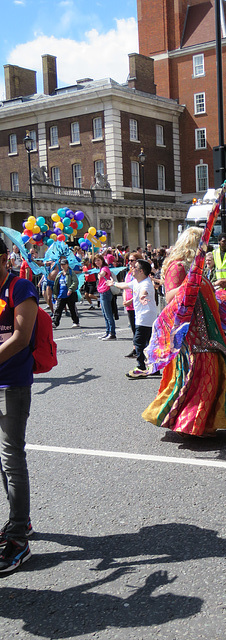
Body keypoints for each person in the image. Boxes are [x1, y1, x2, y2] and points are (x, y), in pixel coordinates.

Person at [142, 227, 226, 436]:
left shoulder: (194, 267)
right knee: (199, 373)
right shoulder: (178, 266)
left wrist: (214, 284)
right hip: (190, 332)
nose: (207, 246)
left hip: (204, 330)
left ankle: (204, 422)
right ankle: (189, 422)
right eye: (203, 241)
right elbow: (172, 294)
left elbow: (198, 289)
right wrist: (192, 283)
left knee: (210, 372)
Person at [0, 237, 38, 573]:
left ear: (3, 260)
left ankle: (18, 540)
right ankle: (19, 520)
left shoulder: (20, 287)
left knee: (12, 456)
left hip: (11, 383)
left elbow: (21, 337)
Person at [108, 259, 159, 378]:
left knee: (138, 342)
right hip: (142, 317)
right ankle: (153, 367)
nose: (132, 269)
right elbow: (125, 285)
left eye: (135, 267)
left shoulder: (145, 283)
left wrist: (142, 297)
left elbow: (144, 292)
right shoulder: (136, 281)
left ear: (141, 271)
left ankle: (141, 367)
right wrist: (113, 284)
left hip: (145, 317)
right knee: (148, 343)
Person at [123, 252, 142, 358]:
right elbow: (126, 286)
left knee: (139, 329)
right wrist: (125, 298)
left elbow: (140, 289)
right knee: (133, 328)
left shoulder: (140, 273)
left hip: (137, 303)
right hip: (129, 304)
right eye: (129, 260)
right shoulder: (129, 273)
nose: (129, 262)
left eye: (132, 260)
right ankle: (135, 349)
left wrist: (131, 300)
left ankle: (140, 350)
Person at [52, 259, 80, 328]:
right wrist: (55, 294)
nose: (63, 266)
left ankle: (76, 322)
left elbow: (75, 282)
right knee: (58, 309)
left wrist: (70, 289)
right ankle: (55, 323)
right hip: (61, 294)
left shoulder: (71, 272)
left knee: (72, 309)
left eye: (64, 264)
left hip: (69, 295)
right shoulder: (59, 274)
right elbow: (56, 285)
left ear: (67, 265)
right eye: (62, 264)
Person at [94, 255, 116, 340]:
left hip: (106, 292)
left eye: (98, 260)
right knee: (104, 313)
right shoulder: (101, 269)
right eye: (96, 261)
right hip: (102, 292)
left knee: (108, 314)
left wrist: (100, 274)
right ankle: (108, 332)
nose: (97, 262)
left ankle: (112, 333)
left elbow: (102, 274)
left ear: (102, 260)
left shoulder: (104, 268)